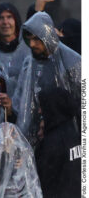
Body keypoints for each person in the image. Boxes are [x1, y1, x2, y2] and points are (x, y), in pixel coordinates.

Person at [13, 12, 81, 146]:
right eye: (29, 39)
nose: (32, 44)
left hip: (68, 139)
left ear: (47, 35)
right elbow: (21, 102)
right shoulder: (29, 63)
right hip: (37, 140)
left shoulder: (73, 62)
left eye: (36, 39)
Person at [35, 87, 81, 197]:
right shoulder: (75, 133)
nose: (39, 111)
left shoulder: (51, 143)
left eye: (42, 106)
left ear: (52, 107)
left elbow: (42, 181)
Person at [0, 122, 42, 197]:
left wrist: (22, 162)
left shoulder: (21, 154)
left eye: (12, 133)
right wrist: (6, 152)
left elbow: (28, 181)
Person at [0, 3, 29, 84]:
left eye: (9, 17)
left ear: (16, 21)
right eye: (1, 18)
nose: (5, 22)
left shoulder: (29, 50)